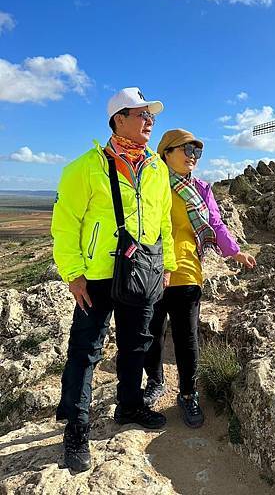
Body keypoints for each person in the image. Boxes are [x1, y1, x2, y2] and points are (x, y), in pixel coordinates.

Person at [51, 87, 177, 473]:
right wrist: (73, 274)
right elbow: (65, 223)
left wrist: (166, 264)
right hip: (95, 277)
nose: (149, 121)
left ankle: (129, 405)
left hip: (142, 272)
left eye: (151, 115)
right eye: (141, 114)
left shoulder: (156, 168)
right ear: (118, 119)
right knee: (85, 352)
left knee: (136, 344)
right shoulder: (83, 167)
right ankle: (77, 428)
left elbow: (162, 222)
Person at [143, 129, 256, 428]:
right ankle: (155, 382)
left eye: (197, 152)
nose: (193, 156)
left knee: (187, 338)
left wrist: (235, 252)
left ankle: (188, 393)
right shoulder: (151, 184)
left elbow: (215, 224)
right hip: (152, 271)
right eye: (186, 150)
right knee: (152, 333)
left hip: (188, 271)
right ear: (166, 152)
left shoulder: (202, 189)